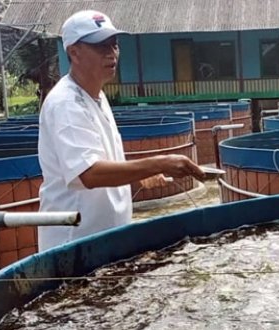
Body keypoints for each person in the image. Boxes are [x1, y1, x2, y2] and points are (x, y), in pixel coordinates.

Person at [37, 10, 205, 251]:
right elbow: (89, 173)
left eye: (114, 45)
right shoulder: (66, 103)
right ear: (74, 51)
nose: (111, 53)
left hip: (104, 237)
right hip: (74, 242)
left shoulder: (97, 96)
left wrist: (138, 175)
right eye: (100, 46)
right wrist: (160, 162)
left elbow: (101, 161)